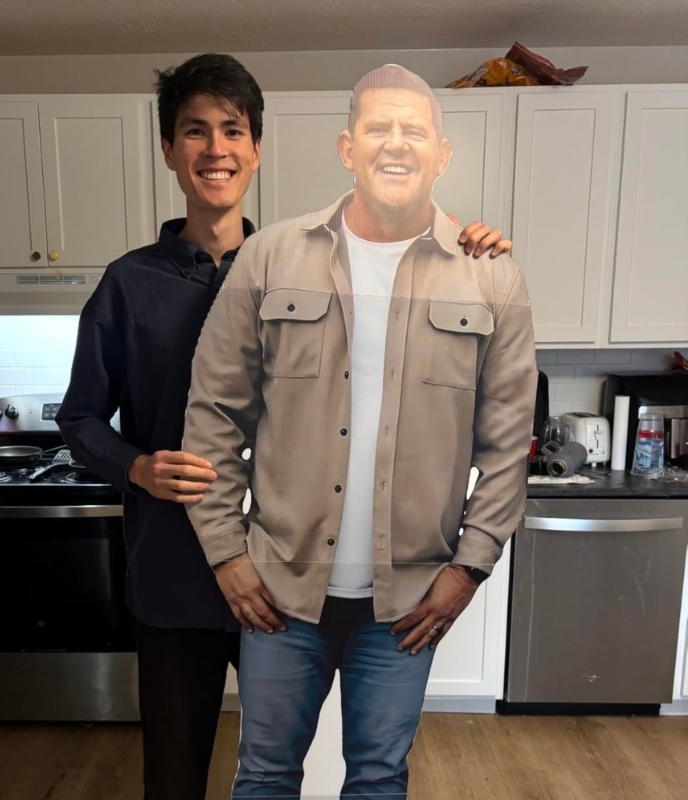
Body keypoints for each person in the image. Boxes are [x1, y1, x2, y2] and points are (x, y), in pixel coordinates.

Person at [56, 53, 513, 800]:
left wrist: (471, 248)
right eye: (193, 132)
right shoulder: (127, 284)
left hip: (295, 571)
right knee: (176, 773)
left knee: (308, 765)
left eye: (232, 130)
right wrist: (135, 466)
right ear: (169, 150)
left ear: (256, 149)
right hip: (179, 574)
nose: (215, 149)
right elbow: (77, 418)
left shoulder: (307, 264)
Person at [182, 63, 538, 798]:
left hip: (408, 600)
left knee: (379, 779)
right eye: (379, 127)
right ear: (348, 148)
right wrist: (225, 554)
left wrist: (469, 568)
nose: (396, 144)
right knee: (265, 777)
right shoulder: (270, 257)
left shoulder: (489, 276)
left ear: (442, 154)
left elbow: (508, 444)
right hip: (278, 590)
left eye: (415, 130)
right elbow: (213, 416)